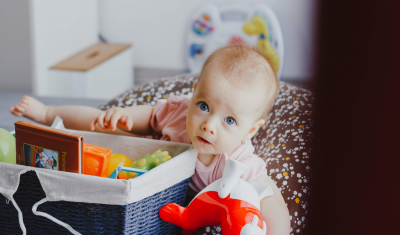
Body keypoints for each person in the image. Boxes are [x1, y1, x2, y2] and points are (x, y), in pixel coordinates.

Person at [10, 44, 290, 234]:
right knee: (101, 123)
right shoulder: (179, 112)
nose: (208, 126)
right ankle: (47, 112)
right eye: (203, 106)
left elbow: (269, 195)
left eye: (230, 121)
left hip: (166, 191)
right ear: (194, 94)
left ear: (250, 130)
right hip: (145, 151)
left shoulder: (238, 160)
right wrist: (125, 117)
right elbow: (149, 117)